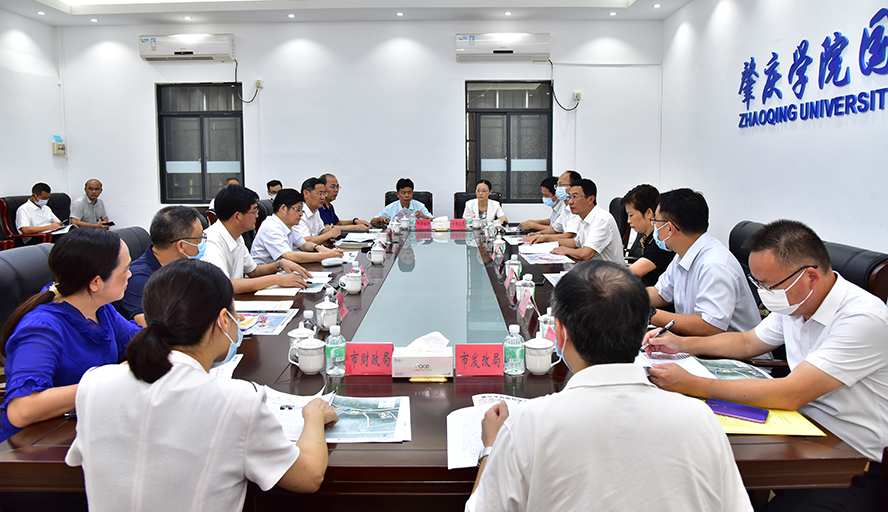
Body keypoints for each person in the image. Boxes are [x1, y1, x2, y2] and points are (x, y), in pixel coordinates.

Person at [466, 260, 751, 512]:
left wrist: (491, 448)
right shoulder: (699, 419)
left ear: (560, 333)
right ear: (643, 331)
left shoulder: (529, 423)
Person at [644, 220, 888, 512]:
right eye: (758, 283)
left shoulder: (862, 318)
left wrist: (693, 384)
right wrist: (681, 344)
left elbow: (791, 393)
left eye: (769, 286)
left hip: (853, 461)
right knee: (701, 481)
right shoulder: (797, 302)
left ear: (810, 276)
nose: (764, 293)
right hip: (800, 432)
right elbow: (748, 342)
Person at [66, 259, 339, 511]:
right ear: (224, 320)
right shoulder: (236, 400)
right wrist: (313, 415)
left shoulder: (94, 383)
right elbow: (308, 477)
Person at [0, 228, 140, 443]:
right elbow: (22, 409)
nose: (130, 274)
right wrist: (106, 380)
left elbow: (137, 341)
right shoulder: (42, 328)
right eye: (125, 269)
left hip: (84, 427)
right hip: (36, 444)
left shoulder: (99, 308)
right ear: (96, 282)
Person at [648, 188, 760, 336]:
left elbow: (709, 326)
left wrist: (648, 314)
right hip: (696, 342)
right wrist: (626, 297)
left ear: (669, 228)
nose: (654, 227)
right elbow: (661, 293)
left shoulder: (714, 265)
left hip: (730, 349)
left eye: (655, 221)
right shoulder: (683, 254)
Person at [202, 184, 309, 294]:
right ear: (238, 216)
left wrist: (279, 264)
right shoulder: (211, 243)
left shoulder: (237, 236)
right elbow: (225, 285)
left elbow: (253, 271)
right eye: (254, 212)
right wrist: (277, 279)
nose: (257, 216)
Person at [117, 206, 204, 326]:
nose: (201, 243)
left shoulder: (178, 268)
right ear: (181, 246)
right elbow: (150, 329)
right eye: (199, 238)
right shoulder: (139, 279)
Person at [251, 188, 344, 265]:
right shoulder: (271, 227)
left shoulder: (286, 226)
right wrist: (327, 255)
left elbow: (303, 244)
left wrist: (318, 248)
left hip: (281, 273)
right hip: (265, 277)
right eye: (298, 209)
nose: (301, 214)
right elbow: (290, 256)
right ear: (283, 208)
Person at [549, 179, 623, 263]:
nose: (570, 202)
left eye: (575, 197)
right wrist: (548, 240)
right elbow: (576, 243)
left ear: (590, 199)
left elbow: (586, 254)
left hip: (610, 270)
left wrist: (565, 250)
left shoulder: (601, 220)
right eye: (569, 197)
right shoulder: (585, 217)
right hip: (593, 267)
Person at [621, 184, 673, 286]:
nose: (628, 221)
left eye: (631, 215)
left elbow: (630, 273)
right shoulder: (648, 238)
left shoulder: (661, 243)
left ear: (649, 213)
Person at [521, 170, 581, 243]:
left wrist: (542, 236)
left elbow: (568, 235)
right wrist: (538, 234)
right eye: (557, 185)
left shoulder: (577, 209)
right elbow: (554, 229)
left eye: (561, 185)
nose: (558, 189)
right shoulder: (566, 208)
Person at [294, 177, 342, 245]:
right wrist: (330, 234)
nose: (323, 197)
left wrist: (330, 230)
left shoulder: (315, 211)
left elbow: (321, 231)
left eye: (324, 194)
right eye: (320, 193)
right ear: (306, 193)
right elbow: (305, 241)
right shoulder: (298, 213)